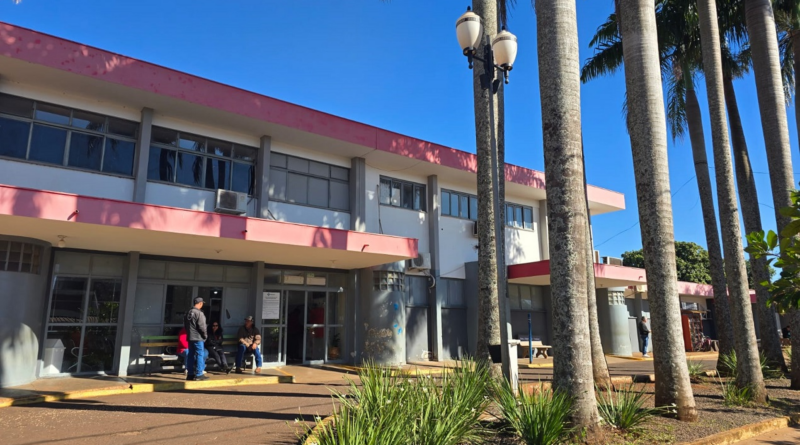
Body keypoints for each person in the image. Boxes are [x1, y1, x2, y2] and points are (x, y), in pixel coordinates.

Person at [184, 296, 208, 381]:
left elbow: (185, 326)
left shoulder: (188, 312)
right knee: (200, 355)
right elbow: (202, 327)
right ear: (200, 303)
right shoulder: (199, 313)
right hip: (198, 338)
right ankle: (199, 374)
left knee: (190, 355)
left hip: (190, 337)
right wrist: (205, 336)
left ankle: (190, 374)